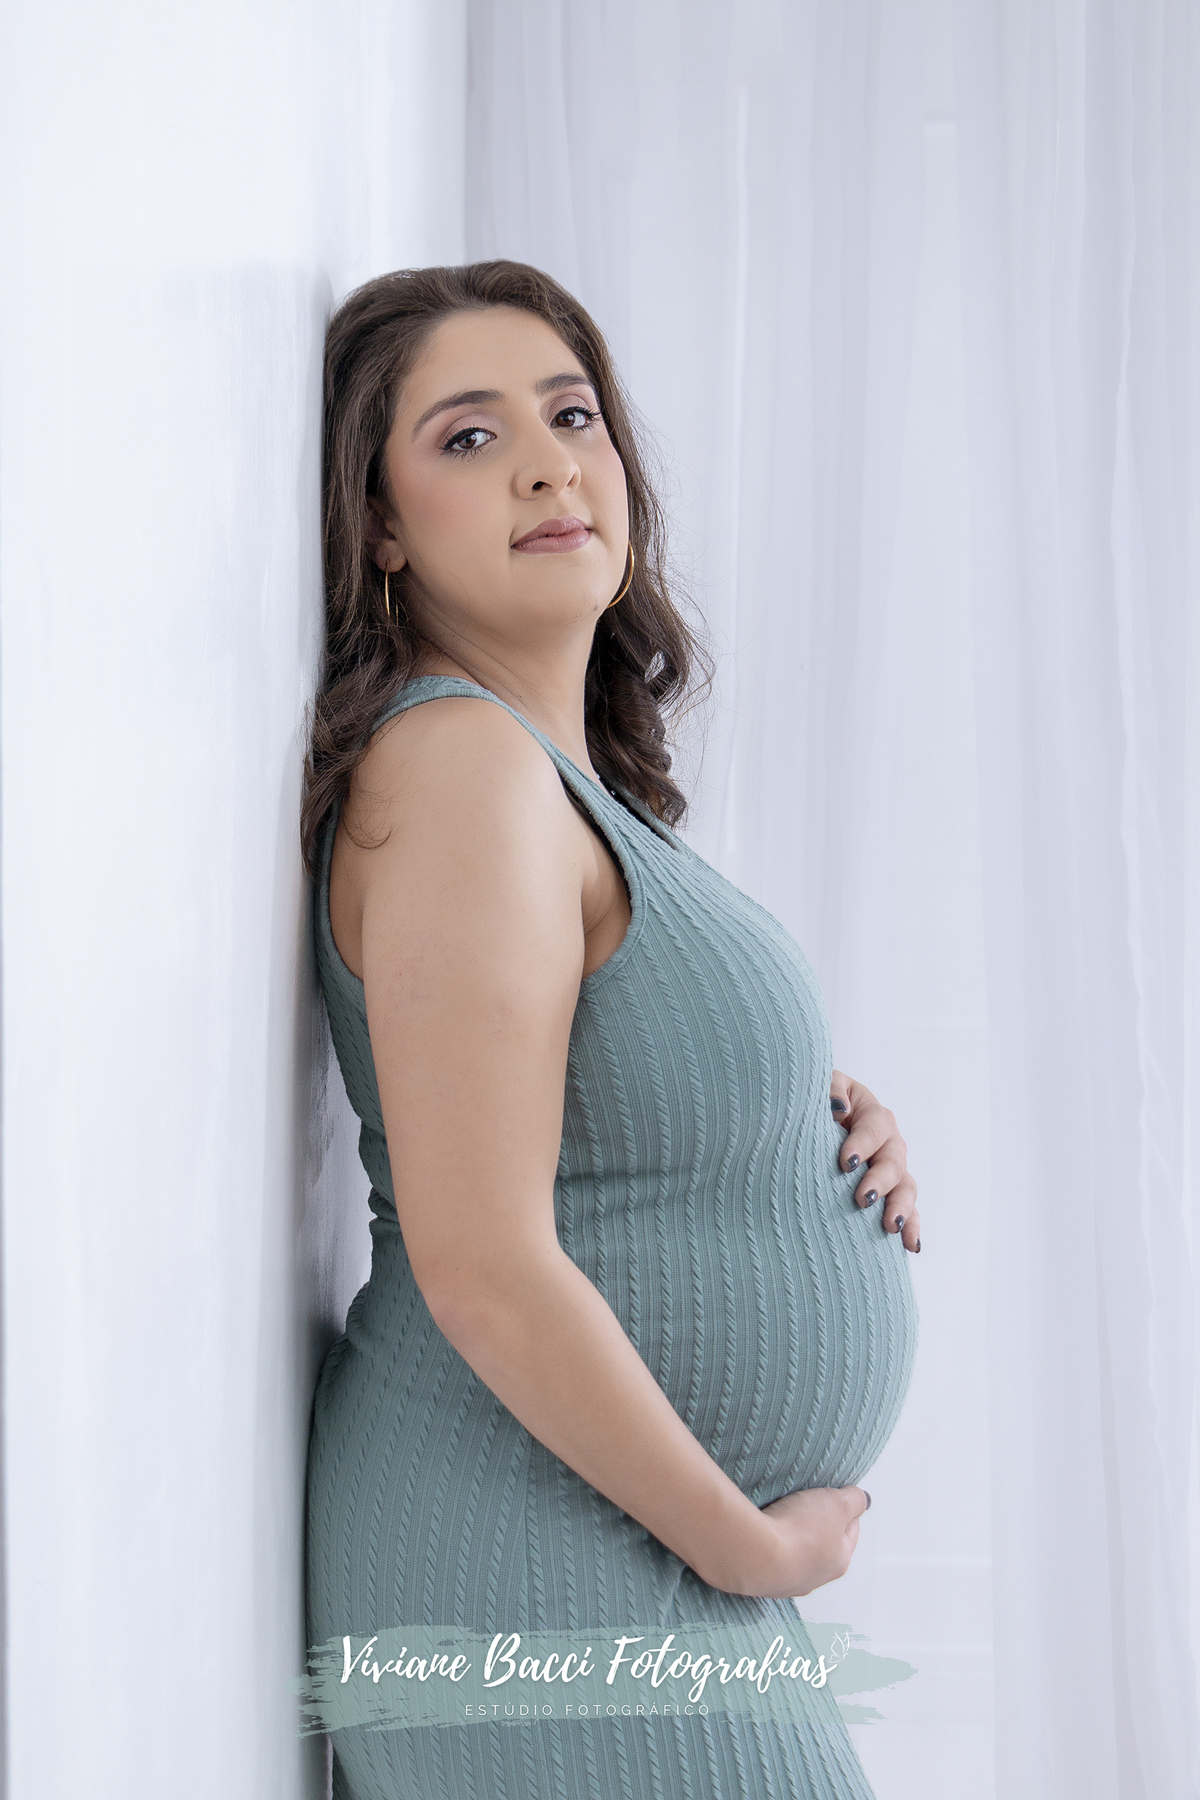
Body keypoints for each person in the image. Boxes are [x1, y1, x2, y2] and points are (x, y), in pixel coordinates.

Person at [301, 259, 921, 1800]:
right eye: (468, 436)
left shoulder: (541, 779)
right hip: (550, 1549)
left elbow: (590, 1092)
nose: (547, 463)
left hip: (608, 1544)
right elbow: (484, 1262)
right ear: (380, 526)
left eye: (571, 415)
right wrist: (751, 1550)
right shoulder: (460, 770)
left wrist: (801, 1118)